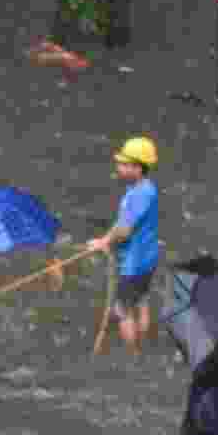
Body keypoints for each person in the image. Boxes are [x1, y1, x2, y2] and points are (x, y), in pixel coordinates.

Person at [86, 136, 161, 355]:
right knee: (142, 302)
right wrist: (107, 240)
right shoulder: (148, 189)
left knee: (122, 310)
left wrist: (104, 242)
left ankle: (133, 355)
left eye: (124, 164)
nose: (119, 167)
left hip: (134, 263)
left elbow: (124, 230)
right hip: (148, 257)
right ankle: (144, 346)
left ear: (138, 168)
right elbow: (123, 224)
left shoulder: (138, 195)